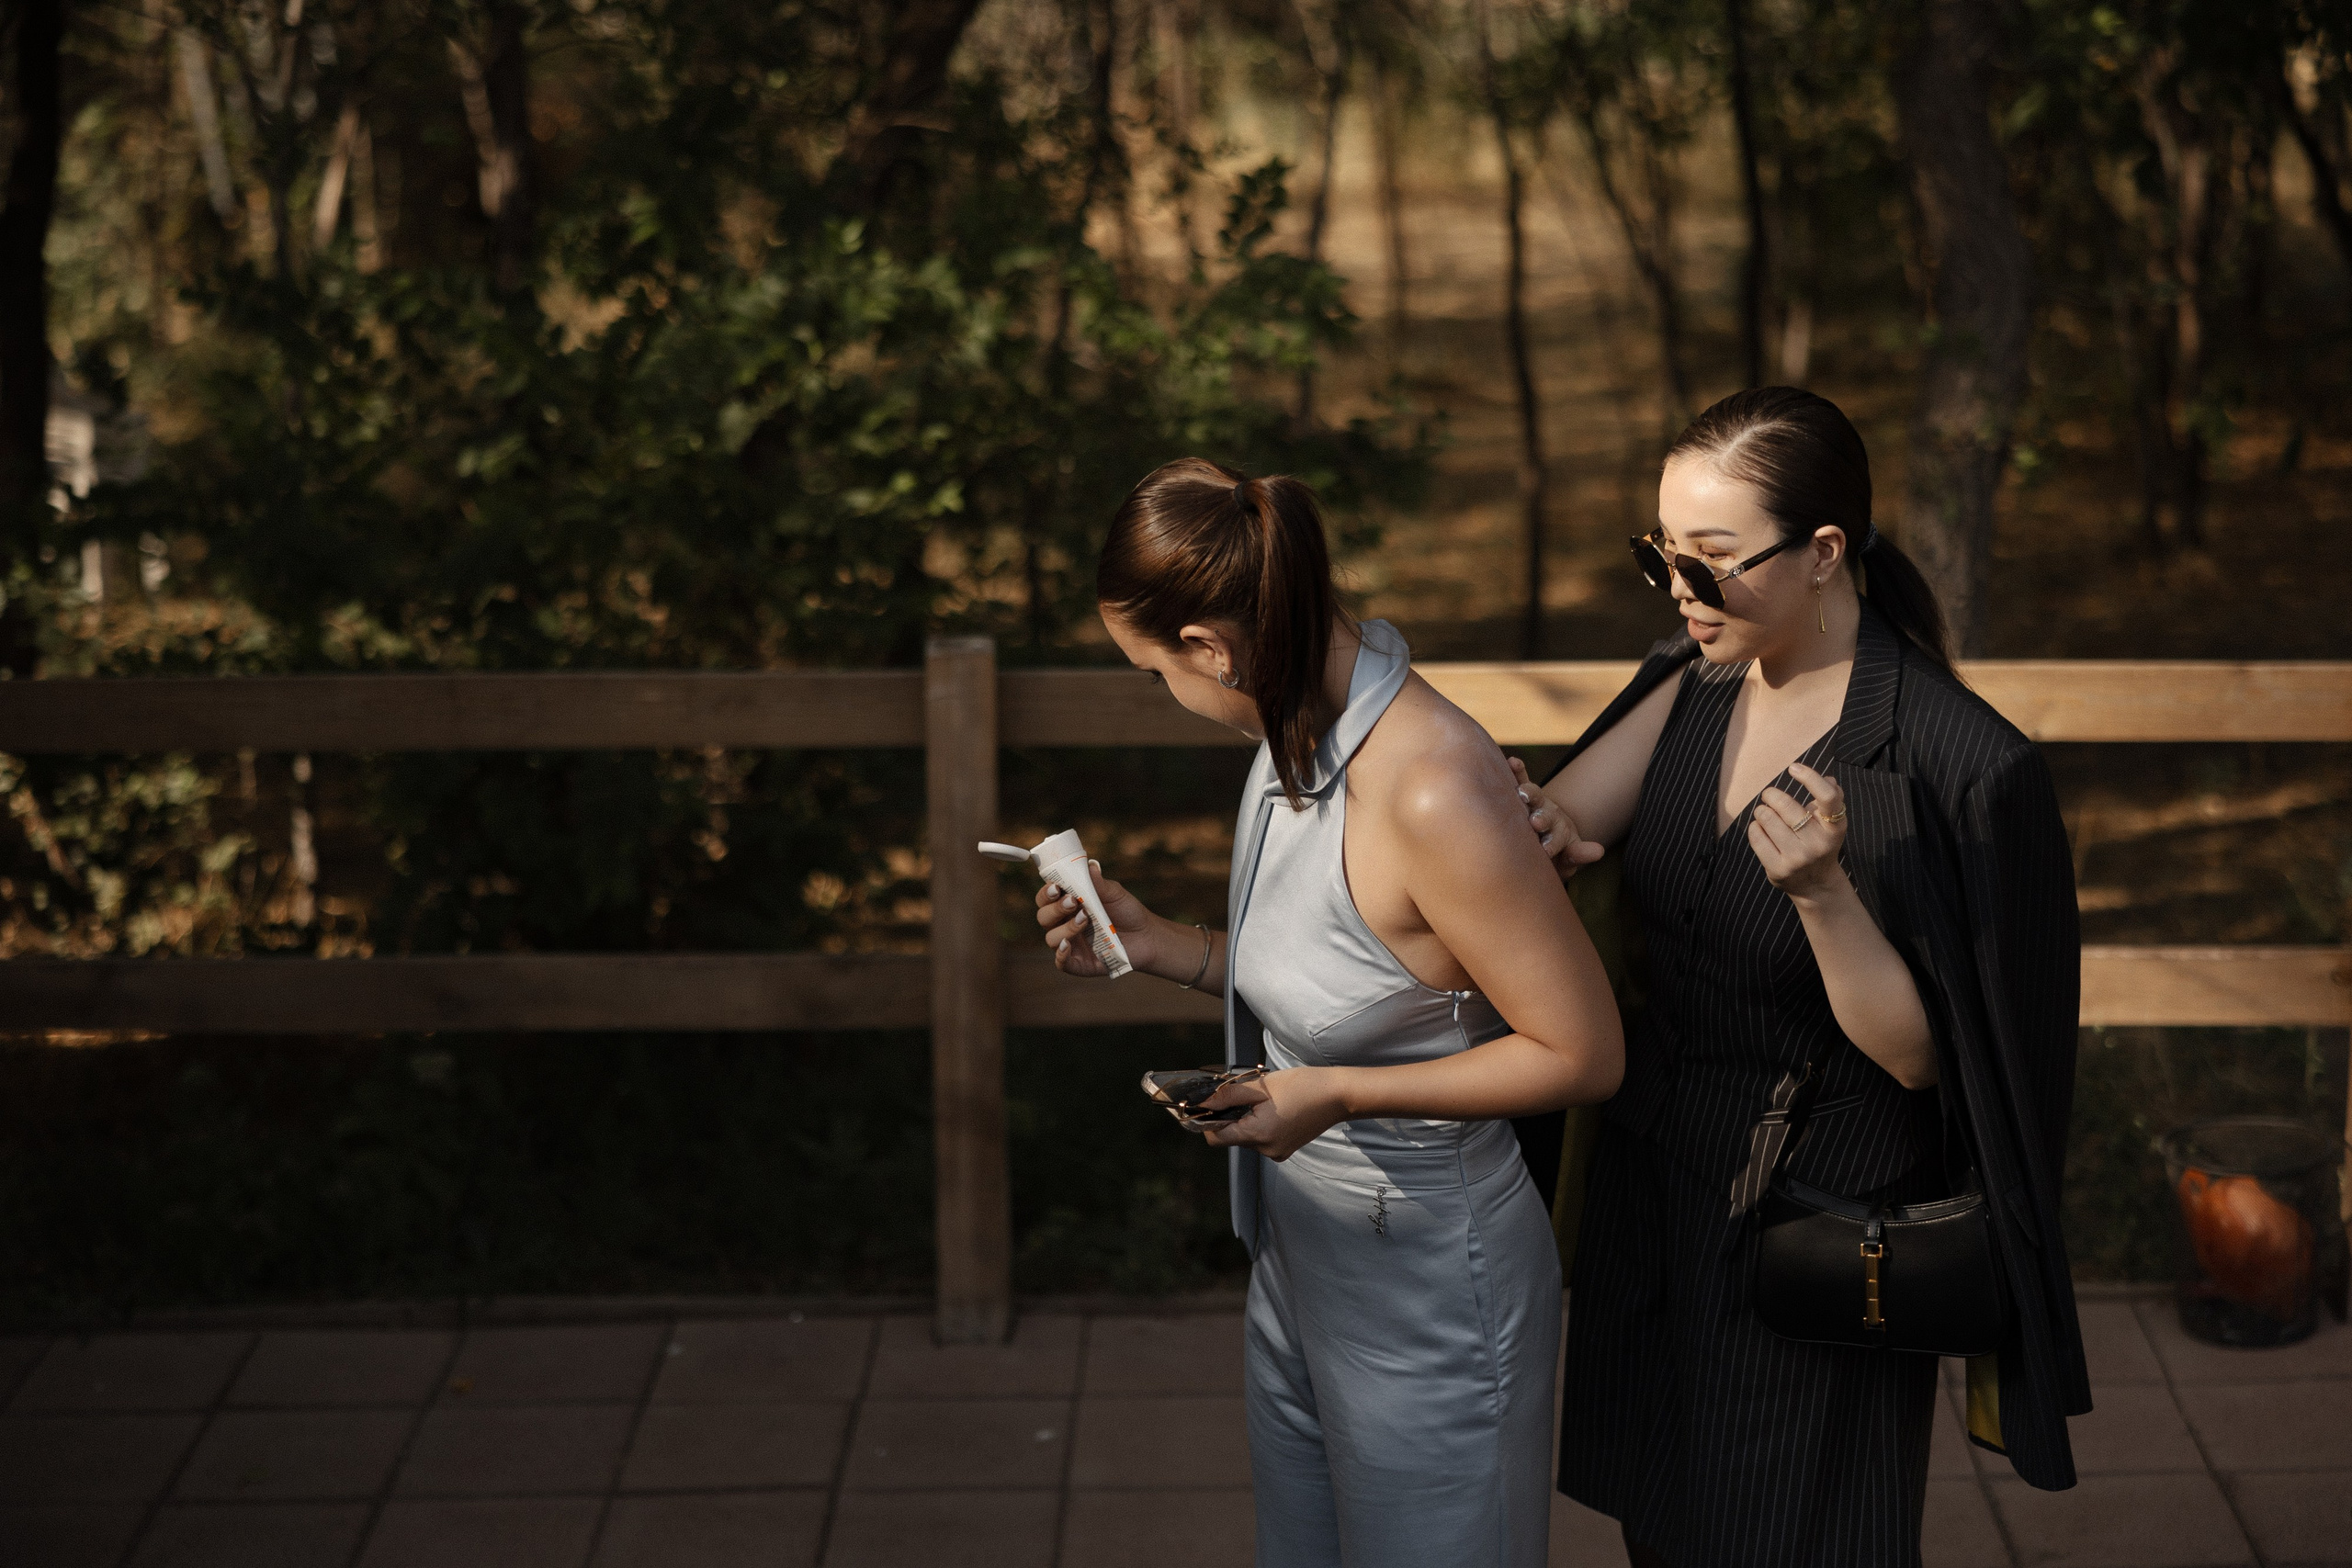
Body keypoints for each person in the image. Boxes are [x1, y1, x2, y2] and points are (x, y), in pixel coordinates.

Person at [1515, 388, 2090, 1568]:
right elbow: (1554, 829)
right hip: (1656, 1181)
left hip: (1816, 1224)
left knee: (1794, 1538)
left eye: (1712, 561)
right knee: (1663, 1523)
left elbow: (1929, 1059)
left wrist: (1825, 898)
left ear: (1826, 552)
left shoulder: (1958, 764)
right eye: (1659, 555)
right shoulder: (1692, 677)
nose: (1680, 589)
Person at [1034, 457, 1624, 1568]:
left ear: (1210, 648)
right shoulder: (1292, 730)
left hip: (1434, 1289)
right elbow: (1354, 983)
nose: (1160, 689)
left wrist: (1337, 1094)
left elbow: (1583, 1054)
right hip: (1303, 1260)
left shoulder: (1431, 784)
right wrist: (1162, 945)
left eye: (1150, 668)